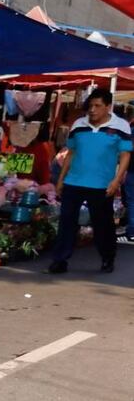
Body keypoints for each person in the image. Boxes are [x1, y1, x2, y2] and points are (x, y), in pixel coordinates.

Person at [49, 88, 130, 274]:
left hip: (101, 185)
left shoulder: (121, 126)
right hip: (74, 182)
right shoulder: (79, 124)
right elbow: (71, 153)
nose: (92, 110)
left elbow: (125, 155)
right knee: (67, 222)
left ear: (108, 107)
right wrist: (61, 179)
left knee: (103, 225)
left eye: (97, 106)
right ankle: (59, 260)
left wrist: (116, 181)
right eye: (90, 106)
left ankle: (107, 258)